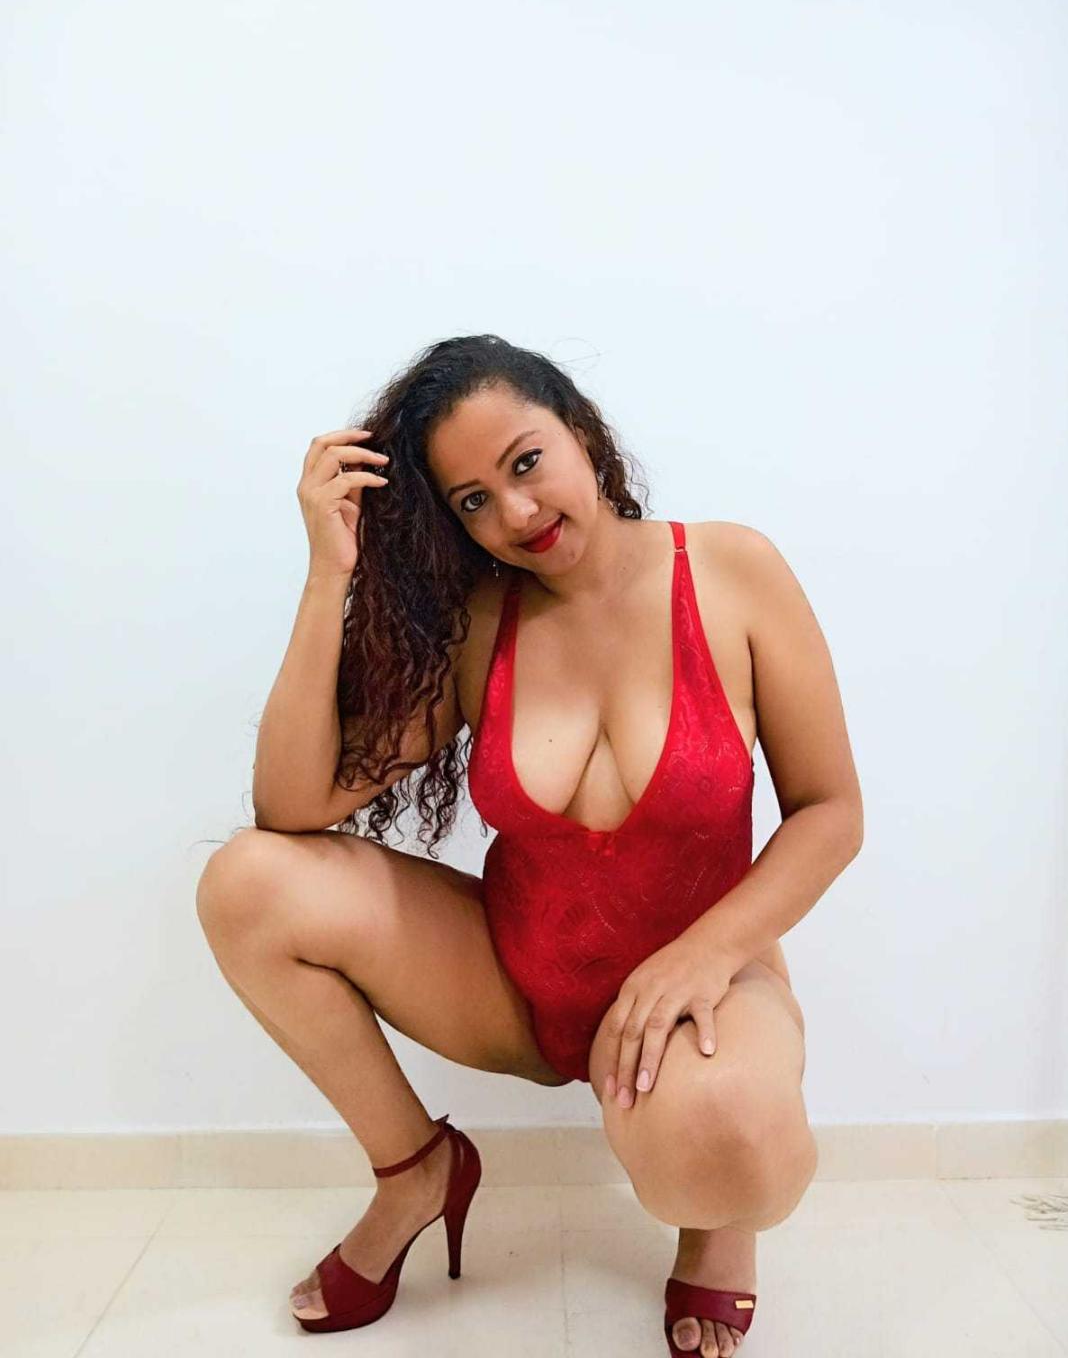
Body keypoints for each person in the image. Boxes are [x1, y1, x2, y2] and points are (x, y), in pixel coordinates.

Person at [196, 334, 863, 1356]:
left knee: (729, 1146)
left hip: (704, 995)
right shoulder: (478, 626)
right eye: (473, 500)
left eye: (526, 462)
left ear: (581, 431)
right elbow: (292, 805)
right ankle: (415, 1172)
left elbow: (830, 811)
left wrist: (703, 955)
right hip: (518, 985)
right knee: (246, 883)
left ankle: (714, 1224)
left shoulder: (733, 571)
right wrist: (328, 574)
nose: (515, 513)